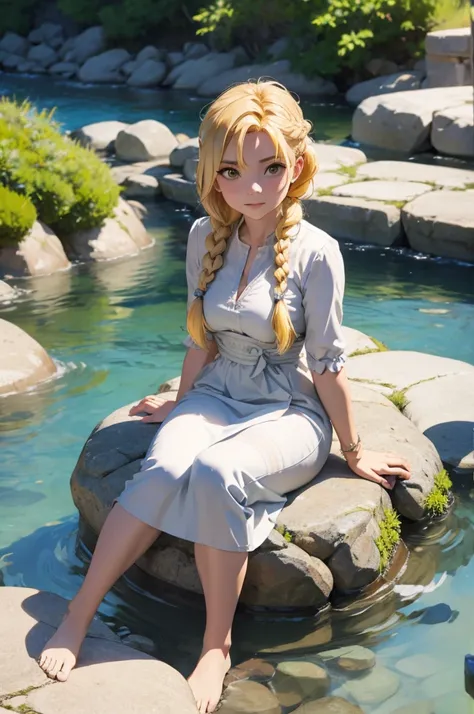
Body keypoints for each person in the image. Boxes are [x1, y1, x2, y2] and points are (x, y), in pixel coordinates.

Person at [38, 80, 411, 713]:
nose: (255, 187)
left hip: (291, 410)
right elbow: (200, 342)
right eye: (235, 172)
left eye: (271, 168)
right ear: (215, 174)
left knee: (217, 470)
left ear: (296, 164)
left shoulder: (319, 254)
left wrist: (355, 450)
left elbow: (326, 364)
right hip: (217, 391)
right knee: (163, 462)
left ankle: (216, 645)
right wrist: (179, 403)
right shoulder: (203, 238)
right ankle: (77, 614)